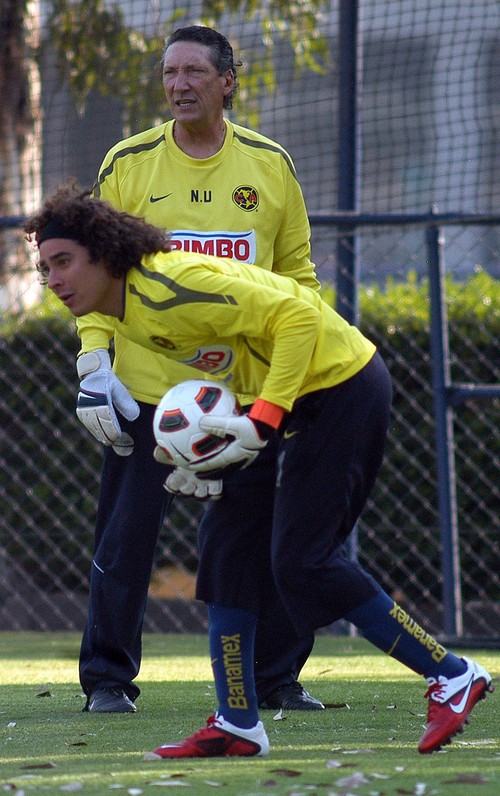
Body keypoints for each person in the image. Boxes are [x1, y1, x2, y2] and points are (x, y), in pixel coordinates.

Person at [26, 185, 493, 757]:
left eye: (64, 261)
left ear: (103, 254)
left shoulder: (171, 285)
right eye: (45, 268)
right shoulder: (126, 312)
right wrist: (214, 449)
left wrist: (263, 420)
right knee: (225, 547)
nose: (53, 280)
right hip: (280, 399)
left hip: (342, 388)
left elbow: (298, 316)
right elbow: (240, 356)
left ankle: (452, 674)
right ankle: (237, 721)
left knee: (305, 560)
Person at [73, 25, 324, 713]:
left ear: (227, 81)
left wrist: (301, 370)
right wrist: (95, 361)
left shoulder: (270, 165)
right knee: (125, 541)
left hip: (244, 395)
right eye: (169, 73)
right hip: (148, 391)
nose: (179, 85)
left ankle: (276, 679)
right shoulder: (129, 164)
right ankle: (107, 680)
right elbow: (94, 273)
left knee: (270, 538)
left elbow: (298, 278)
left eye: (194, 72)